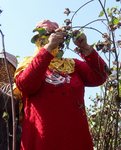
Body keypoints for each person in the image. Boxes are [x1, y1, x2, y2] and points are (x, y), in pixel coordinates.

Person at [14, 20, 108, 150]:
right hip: (42, 140)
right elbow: (27, 86)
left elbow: (101, 76)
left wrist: (85, 47)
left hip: (76, 140)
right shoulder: (28, 63)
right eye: (45, 35)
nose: (48, 38)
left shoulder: (72, 65)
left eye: (52, 35)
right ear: (37, 38)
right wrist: (48, 49)